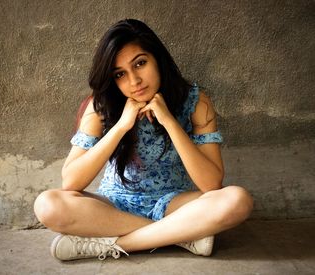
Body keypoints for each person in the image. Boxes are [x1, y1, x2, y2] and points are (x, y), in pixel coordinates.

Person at [34, 18, 254, 261]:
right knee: (48, 205)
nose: (134, 81)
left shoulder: (195, 101)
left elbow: (211, 184)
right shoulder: (101, 106)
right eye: (120, 74)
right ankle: (179, 234)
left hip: (174, 203)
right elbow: (71, 181)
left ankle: (113, 244)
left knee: (237, 200)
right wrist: (121, 126)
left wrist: (169, 121)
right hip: (113, 206)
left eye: (140, 63)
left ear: (157, 59)